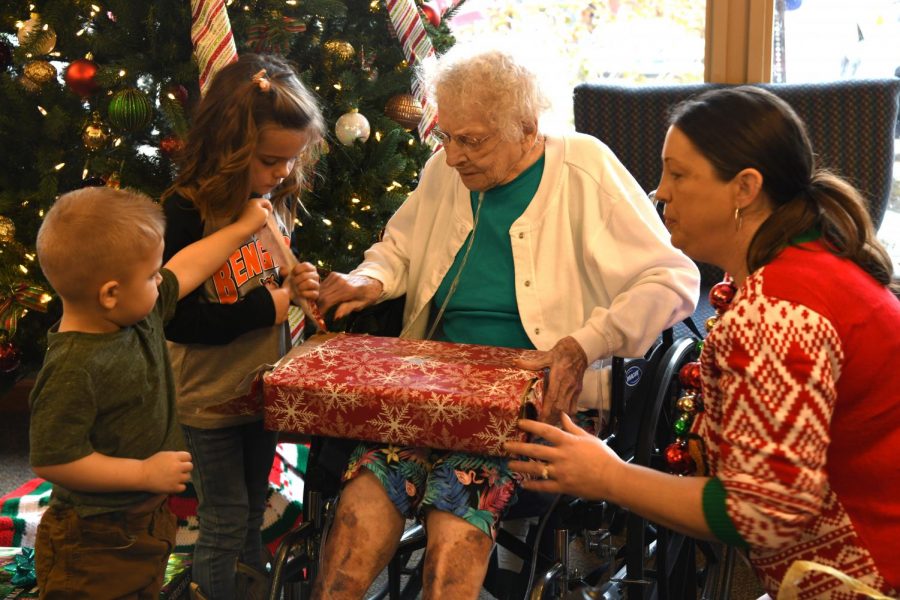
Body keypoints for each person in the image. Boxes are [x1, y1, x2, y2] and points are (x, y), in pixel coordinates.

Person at [312, 44, 700, 599]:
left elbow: (671, 278)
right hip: (433, 394)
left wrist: (583, 344)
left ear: (526, 125)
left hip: (537, 404)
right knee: (365, 496)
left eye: (471, 140)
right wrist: (367, 280)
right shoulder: (443, 172)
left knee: (453, 519)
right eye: (446, 137)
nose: (453, 157)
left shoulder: (583, 167)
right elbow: (398, 248)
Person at [507, 86, 900, 599]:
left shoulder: (775, 313)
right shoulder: (804, 268)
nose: (661, 192)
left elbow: (765, 512)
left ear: (745, 188)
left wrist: (608, 477)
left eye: (679, 174)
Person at [29, 186, 271, 599]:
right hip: (94, 538)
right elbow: (55, 458)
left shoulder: (138, 313)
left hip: (145, 521)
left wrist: (243, 228)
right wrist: (141, 473)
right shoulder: (73, 366)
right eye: (152, 275)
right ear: (110, 293)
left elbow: (187, 267)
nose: (162, 280)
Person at [160, 53, 324, 600]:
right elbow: (180, 318)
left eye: (290, 161)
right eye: (271, 160)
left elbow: (269, 276)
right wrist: (271, 308)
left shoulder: (272, 199)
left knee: (253, 510)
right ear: (228, 147)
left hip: (260, 390)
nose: (282, 172)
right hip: (207, 400)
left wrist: (296, 284)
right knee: (225, 518)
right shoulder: (187, 212)